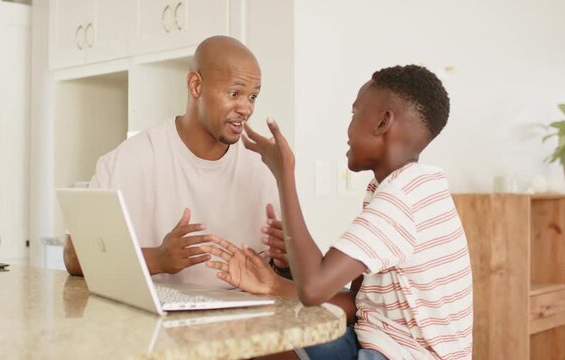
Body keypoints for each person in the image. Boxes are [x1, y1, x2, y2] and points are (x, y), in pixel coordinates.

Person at [202, 65, 473, 359]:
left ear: (383, 122)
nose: (348, 129)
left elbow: (314, 288)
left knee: (261, 344)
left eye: (355, 113)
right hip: (380, 340)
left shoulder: (401, 198)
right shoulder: (410, 187)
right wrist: (274, 285)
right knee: (267, 340)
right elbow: (357, 301)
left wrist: (284, 173)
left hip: (401, 355)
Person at [62, 35, 290, 288]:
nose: (246, 109)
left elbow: (288, 280)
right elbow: (73, 256)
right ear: (195, 85)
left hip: (245, 324)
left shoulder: (263, 167)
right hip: (157, 323)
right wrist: (157, 258)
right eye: (235, 93)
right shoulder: (131, 159)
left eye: (252, 97)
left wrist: (285, 263)